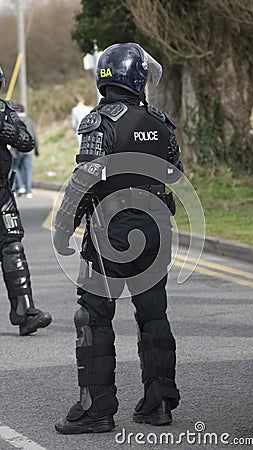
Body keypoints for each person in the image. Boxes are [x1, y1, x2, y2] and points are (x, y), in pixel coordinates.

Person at [53, 43, 183, 434]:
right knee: (153, 316)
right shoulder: (162, 122)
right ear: (138, 77)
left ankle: (97, 410)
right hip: (155, 231)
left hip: (110, 232)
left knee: (93, 317)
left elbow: (82, 183)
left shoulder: (99, 122)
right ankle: (158, 403)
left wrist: (63, 228)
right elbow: (174, 175)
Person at [0, 65, 52, 336]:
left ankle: (25, 310)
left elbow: (27, 141)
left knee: (13, 248)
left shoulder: (4, 112)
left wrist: (6, 129)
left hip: (2, 193)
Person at [12, 104, 39, 198]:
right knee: (28, 170)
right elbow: (35, 135)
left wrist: (12, 151)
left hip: (18, 148)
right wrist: (37, 149)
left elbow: (13, 136)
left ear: (17, 111)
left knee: (15, 168)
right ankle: (29, 191)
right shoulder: (30, 121)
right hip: (30, 149)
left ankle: (19, 186)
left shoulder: (15, 121)